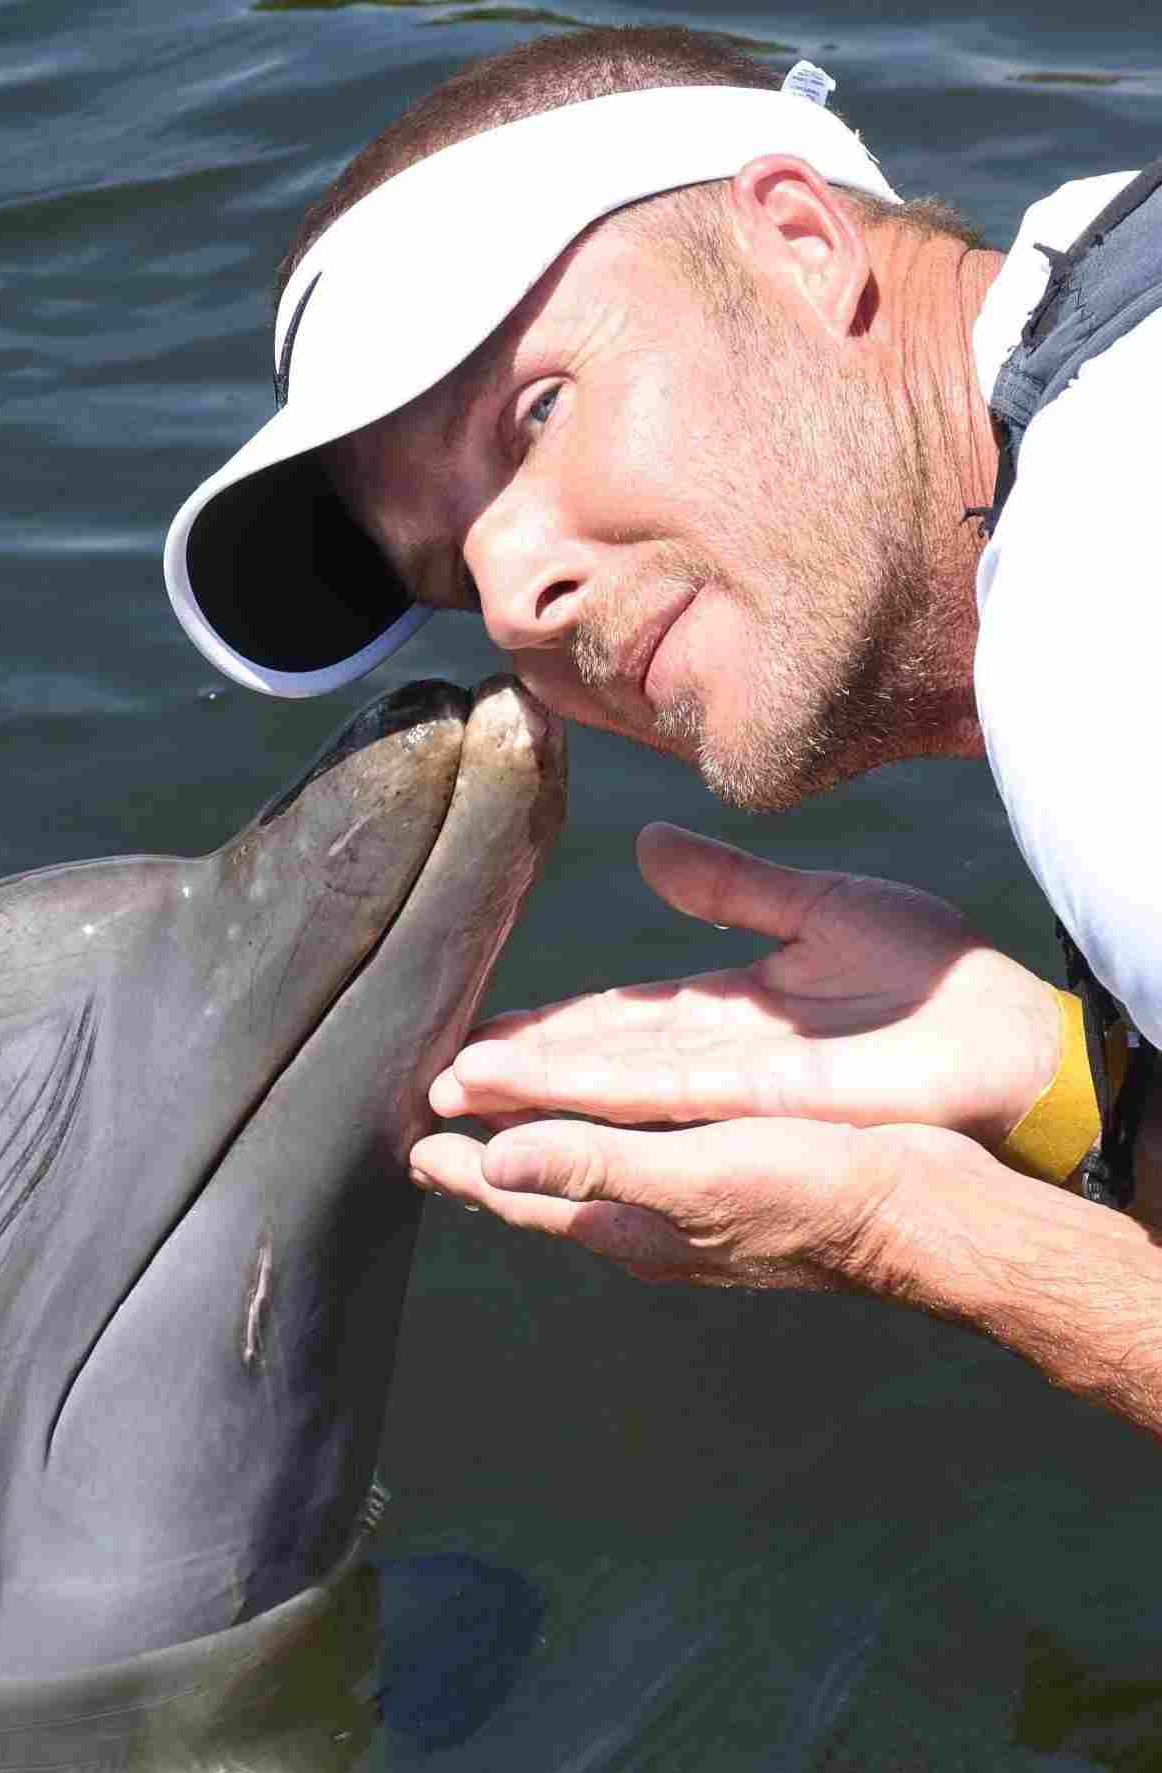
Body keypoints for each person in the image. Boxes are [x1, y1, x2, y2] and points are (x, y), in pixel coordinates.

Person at [163, 29, 1162, 1439]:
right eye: (453, 578)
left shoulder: (1106, 646)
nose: (512, 593)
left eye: (537, 410)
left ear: (801, 241)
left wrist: (924, 1236)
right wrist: (1052, 1078)